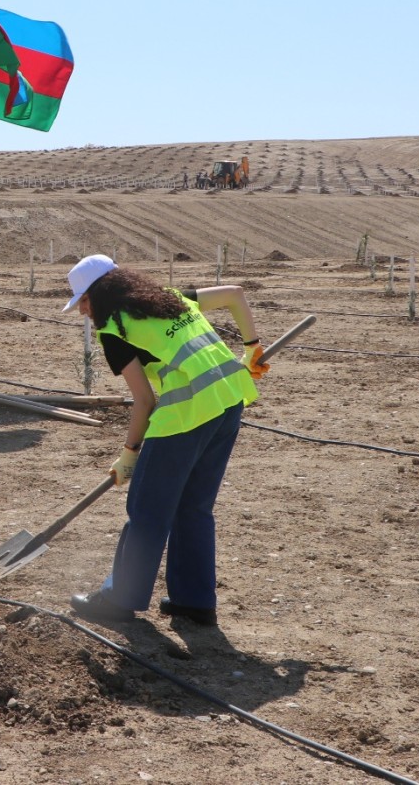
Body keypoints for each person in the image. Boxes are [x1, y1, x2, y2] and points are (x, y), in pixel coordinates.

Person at [61, 254, 268, 628]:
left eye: (84, 302)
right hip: (229, 403)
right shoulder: (173, 297)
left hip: (185, 417)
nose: (82, 313)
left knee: (147, 512)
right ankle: (194, 601)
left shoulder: (115, 330)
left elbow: (144, 401)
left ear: (100, 294)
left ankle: (119, 599)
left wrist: (129, 454)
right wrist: (252, 346)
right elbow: (236, 294)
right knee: (194, 507)